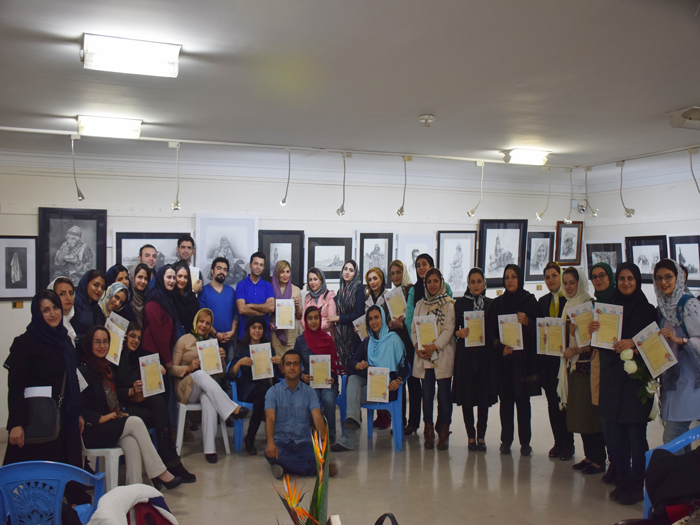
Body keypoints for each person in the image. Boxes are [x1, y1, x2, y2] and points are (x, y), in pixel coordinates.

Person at [3, 290, 88, 517]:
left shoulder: (65, 341)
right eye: (46, 310)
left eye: (55, 308)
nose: (53, 314)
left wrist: (78, 413)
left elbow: (73, 381)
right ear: (37, 313)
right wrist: (16, 424)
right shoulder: (25, 342)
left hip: (66, 420)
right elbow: (16, 386)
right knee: (37, 481)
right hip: (37, 420)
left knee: (65, 473)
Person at [78, 325, 183, 489]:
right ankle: (160, 473)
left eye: (105, 342)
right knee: (135, 422)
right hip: (93, 430)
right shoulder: (83, 370)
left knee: (132, 443)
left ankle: (135, 492)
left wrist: (117, 412)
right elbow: (77, 405)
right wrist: (99, 418)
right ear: (89, 343)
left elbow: (110, 399)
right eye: (97, 342)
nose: (102, 346)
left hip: (109, 424)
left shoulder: (106, 368)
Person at [595, 262, 657, 505]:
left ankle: (636, 485)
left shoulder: (647, 310)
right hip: (612, 380)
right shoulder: (609, 309)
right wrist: (594, 330)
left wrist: (633, 342)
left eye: (630, 278)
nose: (626, 282)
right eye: (622, 278)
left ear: (637, 281)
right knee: (614, 436)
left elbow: (653, 343)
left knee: (636, 438)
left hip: (634, 383)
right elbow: (603, 344)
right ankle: (622, 480)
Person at [112, 322, 196, 483]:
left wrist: (159, 370)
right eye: (132, 336)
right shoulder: (115, 359)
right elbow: (112, 391)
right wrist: (130, 391)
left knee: (158, 402)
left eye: (139, 338)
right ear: (124, 336)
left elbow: (151, 379)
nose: (136, 341)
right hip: (120, 407)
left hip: (139, 405)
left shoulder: (141, 356)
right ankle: (169, 461)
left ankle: (168, 461)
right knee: (158, 415)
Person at [169, 308, 248, 464]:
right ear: (196, 322)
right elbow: (171, 369)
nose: (204, 326)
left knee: (208, 399)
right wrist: (189, 368)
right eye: (201, 321)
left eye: (208, 323)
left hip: (205, 387)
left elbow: (220, 374)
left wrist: (222, 360)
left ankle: (210, 450)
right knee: (199, 374)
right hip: (185, 388)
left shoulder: (211, 343)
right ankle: (232, 409)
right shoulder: (184, 340)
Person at [332, 306, 409, 452]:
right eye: (370, 319)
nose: (373, 322)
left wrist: (399, 380)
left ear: (383, 318)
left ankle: (347, 440)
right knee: (353, 379)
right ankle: (352, 420)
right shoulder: (368, 341)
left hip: (387, 387)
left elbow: (406, 366)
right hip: (370, 383)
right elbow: (351, 362)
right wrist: (358, 364)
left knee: (351, 397)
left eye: (376, 317)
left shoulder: (394, 339)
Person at [556, 267, 606, 475]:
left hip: (588, 366)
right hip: (573, 366)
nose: (568, 287)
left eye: (572, 283)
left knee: (590, 415)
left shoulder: (590, 305)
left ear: (581, 283)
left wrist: (577, 349)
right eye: (565, 283)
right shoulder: (568, 305)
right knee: (579, 414)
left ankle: (599, 459)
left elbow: (597, 340)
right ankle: (589, 456)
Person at [487, 264, 540, 456]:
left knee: (523, 403)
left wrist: (528, 322)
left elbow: (539, 329)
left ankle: (525, 443)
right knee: (506, 403)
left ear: (520, 279)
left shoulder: (530, 301)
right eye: (507, 277)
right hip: (505, 362)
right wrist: (500, 348)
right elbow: (491, 330)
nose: (510, 281)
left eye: (514, 277)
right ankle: (506, 441)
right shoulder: (497, 304)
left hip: (523, 362)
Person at [265, 350, 339, 479]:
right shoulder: (273, 392)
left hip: (304, 443)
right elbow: (270, 419)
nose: (292, 368)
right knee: (271, 451)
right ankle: (315, 469)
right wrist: (270, 442)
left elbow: (317, 417)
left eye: (295, 364)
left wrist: (323, 441)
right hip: (281, 443)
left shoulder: (310, 392)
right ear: (282, 368)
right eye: (288, 364)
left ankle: (284, 467)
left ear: (301, 368)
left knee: (319, 452)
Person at [653, 259, 700, 450]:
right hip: (672, 379)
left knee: (672, 437)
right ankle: (685, 469)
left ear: (678, 278)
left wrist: (679, 340)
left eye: (668, 277)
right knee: (681, 438)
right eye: (659, 278)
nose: (663, 282)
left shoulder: (689, 305)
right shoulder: (662, 308)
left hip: (690, 380)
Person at [411, 268, 456, 450]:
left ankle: (444, 430)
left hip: (442, 354)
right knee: (427, 394)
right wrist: (417, 346)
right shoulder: (420, 304)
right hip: (425, 357)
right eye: (429, 281)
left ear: (441, 282)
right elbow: (414, 329)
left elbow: (449, 330)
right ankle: (428, 430)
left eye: (435, 281)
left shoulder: (449, 304)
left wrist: (434, 346)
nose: (432, 284)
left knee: (444, 395)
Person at [452, 268, 496, 452]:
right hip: (466, 357)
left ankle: (481, 436)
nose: (476, 285)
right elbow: (453, 329)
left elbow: (495, 330)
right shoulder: (460, 304)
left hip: (485, 357)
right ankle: (470, 436)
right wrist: (458, 333)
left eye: (479, 281)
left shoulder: (491, 304)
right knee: (467, 398)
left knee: (483, 398)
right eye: (473, 282)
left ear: (484, 283)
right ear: (468, 284)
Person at [537, 262, 575, 461]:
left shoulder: (570, 300)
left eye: (554, 275)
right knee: (552, 403)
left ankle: (569, 444)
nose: (551, 280)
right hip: (548, 361)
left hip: (567, 359)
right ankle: (558, 442)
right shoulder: (542, 301)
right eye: (547, 277)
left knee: (566, 403)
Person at [229, 317, 282, 455]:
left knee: (261, 398)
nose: (257, 331)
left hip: (263, 385)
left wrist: (279, 363)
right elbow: (230, 374)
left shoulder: (268, 348)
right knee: (265, 394)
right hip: (247, 386)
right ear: (248, 330)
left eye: (260, 328)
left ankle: (250, 438)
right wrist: (239, 363)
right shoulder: (241, 348)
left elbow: (279, 373)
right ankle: (254, 438)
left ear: (263, 330)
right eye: (254, 327)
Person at [294, 307, 343, 444]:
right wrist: (302, 376)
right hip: (309, 383)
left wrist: (333, 377)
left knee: (328, 398)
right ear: (305, 320)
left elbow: (334, 364)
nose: (313, 321)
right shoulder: (300, 341)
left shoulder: (327, 339)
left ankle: (329, 434)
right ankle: (314, 432)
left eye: (316, 318)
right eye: (310, 318)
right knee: (313, 398)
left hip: (328, 381)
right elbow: (294, 364)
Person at [589, 261, 618, 485]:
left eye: (602, 275)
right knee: (604, 417)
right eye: (595, 277)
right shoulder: (593, 305)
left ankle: (620, 465)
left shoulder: (619, 302)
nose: (598, 280)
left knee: (617, 419)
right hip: (599, 363)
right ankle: (612, 463)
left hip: (617, 366)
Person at [387, 260, 419, 436]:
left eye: (398, 272)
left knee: (413, 383)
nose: (395, 276)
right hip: (398, 343)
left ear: (404, 272)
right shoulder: (391, 295)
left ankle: (413, 423)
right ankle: (400, 420)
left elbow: (414, 318)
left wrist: (401, 325)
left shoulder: (411, 290)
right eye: (392, 273)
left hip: (411, 341)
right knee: (399, 381)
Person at [199, 257, 239, 364]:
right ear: (212, 271)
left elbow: (236, 314)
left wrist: (232, 331)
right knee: (212, 369)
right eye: (219, 268)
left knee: (229, 369)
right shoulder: (204, 291)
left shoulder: (231, 291)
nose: (222, 272)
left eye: (225, 270)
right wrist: (216, 334)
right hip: (210, 340)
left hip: (229, 340)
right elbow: (202, 316)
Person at [328, 260, 364, 367]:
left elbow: (359, 315)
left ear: (355, 273)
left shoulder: (359, 289)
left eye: (351, 270)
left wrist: (339, 318)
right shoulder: (340, 291)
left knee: (353, 366)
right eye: (345, 269)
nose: (347, 272)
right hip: (341, 336)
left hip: (354, 334)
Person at [142, 266, 178, 368]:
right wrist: (167, 358)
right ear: (161, 278)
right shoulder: (154, 297)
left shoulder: (168, 297)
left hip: (162, 352)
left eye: (174, 278)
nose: (172, 281)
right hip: (152, 352)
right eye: (168, 277)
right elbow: (157, 330)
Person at [236, 251, 275, 340]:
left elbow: (271, 308)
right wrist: (261, 312)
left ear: (263, 267)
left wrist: (250, 305)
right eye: (256, 263)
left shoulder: (268, 286)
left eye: (261, 265)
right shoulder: (241, 285)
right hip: (244, 336)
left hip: (264, 336)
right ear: (250, 265)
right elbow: (242, 309)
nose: (258, 267)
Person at [270, 260, 303, 357]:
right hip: (275, 332)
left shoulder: (296, 290)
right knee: (277, 361)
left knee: (291, 360)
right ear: (277, 273)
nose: (285, 275)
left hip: (291, 333)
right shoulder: (270, 289)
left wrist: (297, 307)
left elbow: (299, 316)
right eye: (282, 272)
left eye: (287, 272)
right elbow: (267, 313)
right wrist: (269, 323)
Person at [71, 269, 107, 341]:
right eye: (95, 285)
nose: (99, 290)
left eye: (102, 287)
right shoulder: (73, 304)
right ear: (86, 284)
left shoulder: (97, 309)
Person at [303, 268, 337, 334]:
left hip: (326, 335)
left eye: (315, 279)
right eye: (310, 280)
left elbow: (331, 319)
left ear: (321, 280)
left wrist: (314, 327)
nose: (312, 282)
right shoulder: (307, 297)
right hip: (311, 335)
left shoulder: (330, 295)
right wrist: (309, 328)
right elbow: (303, 319)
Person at [173, 260, 201, 338]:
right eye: (179, 276)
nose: (182, 280)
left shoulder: (192, 298)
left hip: (192, 339)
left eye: (185, 277)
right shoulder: (171, 297)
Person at [49, 277, 77, 345]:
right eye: (62, 294)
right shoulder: (51, 323)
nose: (68, 298)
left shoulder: (67, 321)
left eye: (71, 293)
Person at [128, 263, 151, 329]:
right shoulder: (126, 299)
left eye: (146, 278)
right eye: (140, 277)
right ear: (132, 277)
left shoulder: (149, 298)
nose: (143, 281)